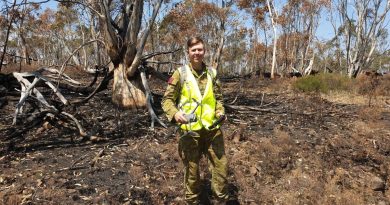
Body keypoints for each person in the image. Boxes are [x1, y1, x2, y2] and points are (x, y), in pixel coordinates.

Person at [161, 37, 229, 204]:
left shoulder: (212, 73)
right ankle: (192, 201)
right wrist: (175, 114)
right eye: (194, 50)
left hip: (213, 129)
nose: (197, 53)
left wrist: (220, 111)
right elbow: (167, 100)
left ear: (204, 51)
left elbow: (218, 98)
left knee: (221, 168)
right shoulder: (180, 74)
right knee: (192, 171)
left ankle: (221, 200)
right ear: (188, 52)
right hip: (190, 131)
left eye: (200, 49)